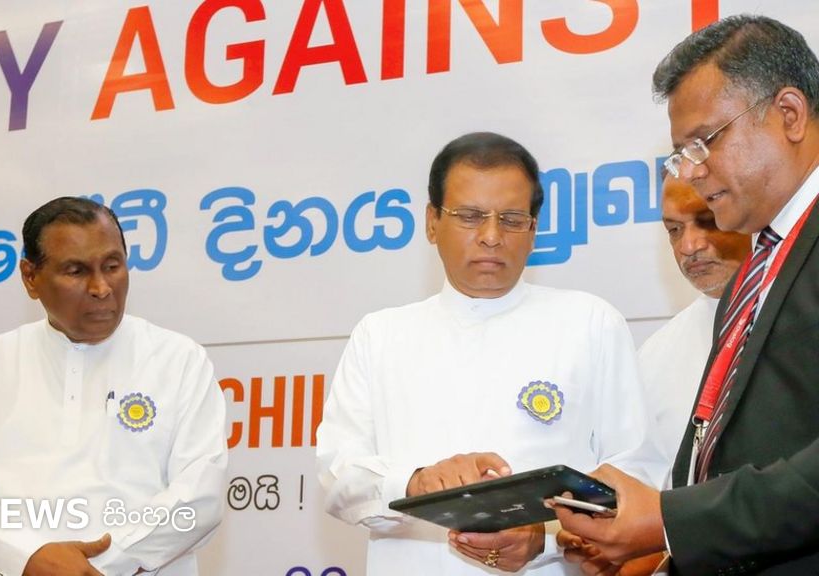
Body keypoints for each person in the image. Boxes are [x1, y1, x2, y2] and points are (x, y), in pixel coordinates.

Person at [316, 132, 666, 575]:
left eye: (512, 219)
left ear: (534, 229)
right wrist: (416, 483)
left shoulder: (590, 323)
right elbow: (338, 475)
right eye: (469, 216)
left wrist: (544, 537)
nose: (491, 236)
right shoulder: (380, 334)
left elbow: (635, 479)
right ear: (431, 222)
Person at [553, 15, 819, 575]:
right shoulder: (752, 276)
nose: (692, 172)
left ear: (789, 114)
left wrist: (671, 520)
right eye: (681, 153)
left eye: (703, 143)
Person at [0, 197, 228, 576]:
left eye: (112, 266)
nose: (101, 287)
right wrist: (26, 557)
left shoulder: (178, 359)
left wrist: (100, 563)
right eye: (76, 271)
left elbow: (200, 494)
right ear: (30, 277)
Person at [639, 174, 750, 477]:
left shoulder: (801, 320)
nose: (689, 245)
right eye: (674, 230)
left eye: (708, 221)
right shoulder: (653, 355)